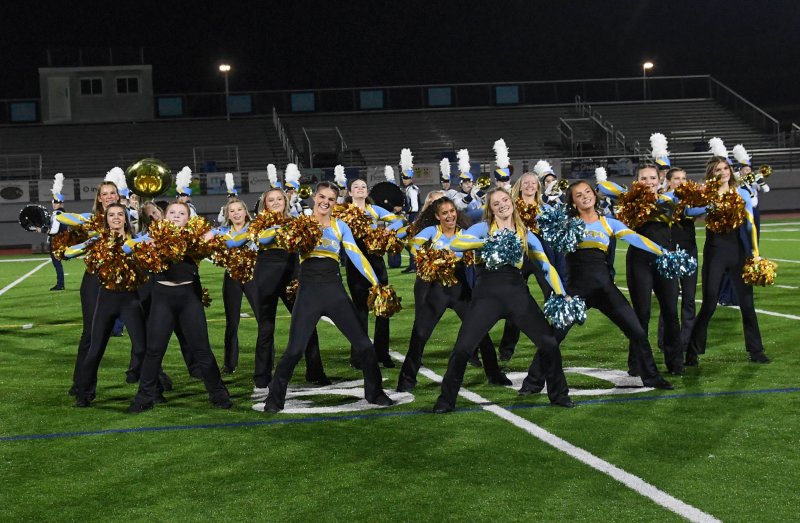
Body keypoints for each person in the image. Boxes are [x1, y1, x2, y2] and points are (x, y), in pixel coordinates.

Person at [519, 181, 675, 393]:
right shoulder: (567, 223)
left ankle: (652, 377)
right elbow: (541, 224)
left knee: (637, 331)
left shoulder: (608, 223)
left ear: (594, 195)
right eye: (578, 195)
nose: (585, 196)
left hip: (605, 289)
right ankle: (532, 382)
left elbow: (636, 238)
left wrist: (663, 252)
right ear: (572, 202)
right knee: (554, 336)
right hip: (576, 292)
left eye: (588, 192)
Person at [432, 187, 574, 413]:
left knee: (548, 343)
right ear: (490, 209)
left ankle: (559, 395)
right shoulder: (483, 228)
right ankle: (445, 400)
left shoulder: (525, 234)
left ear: (512, 202)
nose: (502, 205)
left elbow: (546, 266)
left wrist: (561, 292)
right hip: (486, 294)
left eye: (505, 200)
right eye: (496, 203)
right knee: (463, 348)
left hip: (517, 293)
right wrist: (488, 242)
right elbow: (456, 244)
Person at [262, 182, 394, 413]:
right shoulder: (301, 221)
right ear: (315, 197)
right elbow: (264, 239)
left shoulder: (340, 226)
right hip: (308, 292)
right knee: (294, 350)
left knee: (364, 345)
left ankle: (375, 392)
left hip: (334, 291)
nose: (325, 202)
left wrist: (376, 283)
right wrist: (276, 228)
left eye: (331, 199)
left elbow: (356, 255)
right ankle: (274, 398)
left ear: (336, 202)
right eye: (322, 197)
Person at [397, 196, 510, 392]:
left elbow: (479, 247)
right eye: (444, 213)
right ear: (437, 216)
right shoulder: (432, 231)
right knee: (420, 334)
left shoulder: (464, 233)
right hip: (436, 290)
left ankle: (494, 374)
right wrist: (429, 256)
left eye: (452, 211)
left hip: (461, 290)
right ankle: (407, 379)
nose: (449, 216)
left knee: (480, 331)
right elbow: (414, 245)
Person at [129, 202, 232, 412]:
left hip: (189, 298)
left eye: (182, 213)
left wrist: (214, 234)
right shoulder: (153, 237)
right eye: (172, 212)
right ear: (165, 216)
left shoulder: (196, 238)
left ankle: (218, 394)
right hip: (162, 298)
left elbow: (223, 240)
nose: (176, 216)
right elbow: (129, 247)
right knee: (154, 350)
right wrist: (144, 243)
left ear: (188, 218)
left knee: (202, 349)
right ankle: (144, 397)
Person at [228, 188, 328, 388]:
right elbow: (235, 242)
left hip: (293, 276)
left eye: (279, 199)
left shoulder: (295, 221)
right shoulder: (257, 224)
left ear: (285, 201)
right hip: (266, 278)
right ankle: (262, 376)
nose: (275, 203)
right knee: (266, 328)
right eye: (271, 200)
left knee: (306, 324)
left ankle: (315, 372)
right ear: (264, 204)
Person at [685, 155, 771, 365]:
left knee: (747, 304)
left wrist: (755, 253)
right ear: (711, 174)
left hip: (739, 252)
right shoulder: (706, 193)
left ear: (730, 171)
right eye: (718, 169)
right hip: (715, 252)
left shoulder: (742, 193)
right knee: (709, 304)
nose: (723, 172)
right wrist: (710, 206)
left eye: (725, 168)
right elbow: (688, 211)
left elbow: (750, 224)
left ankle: (756, 351)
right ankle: (692, 351)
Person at [67, 203, 148, 407]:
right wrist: (88, 244)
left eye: (120, 214)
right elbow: (67, 252)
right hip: (106, 298)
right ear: (106, 219)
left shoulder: (136, 240)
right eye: (111, 215)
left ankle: (147, 388)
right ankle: (84, 394)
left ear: (126, 219)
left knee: (141, 348)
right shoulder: (99, 240)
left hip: (130, 299)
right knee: (95, 349)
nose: (116, 218)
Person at [57, 180, 121, 396]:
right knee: (91, 334)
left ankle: (155, 383)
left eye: (112, 193)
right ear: (99, 198)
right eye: (105, 194)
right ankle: (81, 384)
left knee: (143, 332)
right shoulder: (90, 220)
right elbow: (67, 222)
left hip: (126, 280)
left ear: (118, 196)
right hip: (95, 281)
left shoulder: (129, 217)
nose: (109, 196)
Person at [344, 177, 404, 368]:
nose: (360, 189)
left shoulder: (374, 210)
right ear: (350, 192)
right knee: (360, 310)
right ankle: (359, 356)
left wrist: (384, 232)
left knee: (382, 308)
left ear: (367, 191)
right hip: (355, 263)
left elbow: (399, 221)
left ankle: (382, 354)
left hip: (376, 261)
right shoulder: (343, 211)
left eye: (363, 186)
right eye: (356, 187)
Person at [497, 171, 552, 362]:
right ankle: (507, 348)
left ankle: (550, 341)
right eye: (526, 183)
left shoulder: (545, 208)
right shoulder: (511, 206)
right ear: (520, 186)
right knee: (516, 300)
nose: (530, 186)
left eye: (533, 183)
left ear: (538, 187)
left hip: (539, 256)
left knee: (551, 296)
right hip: (517, 256)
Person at [657, 167, 699, 353]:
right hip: (670, 252)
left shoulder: (691, 198)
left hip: (689, 250)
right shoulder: (663, 198)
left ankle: (686, 341)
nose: (681, 182)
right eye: (676, 178)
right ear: (668, 181)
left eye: (684, 178)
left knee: (689, 299)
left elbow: (692, 211)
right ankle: (665, 340)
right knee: (669, 298)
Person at [40, 173, 66, 290]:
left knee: (56, 263)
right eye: (54, 202)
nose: (55, 204)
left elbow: (54, 230)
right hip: (61, 240)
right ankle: (60, 284)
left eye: (57, 203)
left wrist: (42, 230)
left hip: (56, 241)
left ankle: (60, 284)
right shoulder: (63, 212)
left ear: (60, 203)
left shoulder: (57, 214)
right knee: (57, 263)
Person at [400, 149, 420, 273]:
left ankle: (415, 265)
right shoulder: (408, 189)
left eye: (407, 178)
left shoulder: (412, 189)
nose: (405, 180)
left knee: (412, 242)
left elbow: (415, 207)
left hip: (414, 217)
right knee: (409, 242)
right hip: (411, 217)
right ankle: (413, 264)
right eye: (404, 178)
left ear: (411, 178)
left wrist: (402, 209)